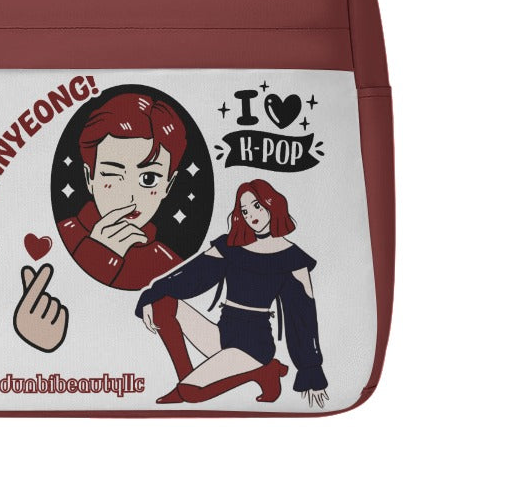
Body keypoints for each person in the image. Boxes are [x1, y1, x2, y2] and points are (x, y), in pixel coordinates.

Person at [135, 179, 328, 408]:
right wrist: (151, 295)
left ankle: (261, 371)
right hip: (222, 334)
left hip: (254, 346)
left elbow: (302, 319)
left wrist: (311, 370)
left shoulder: (292, 259)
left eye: (257, 206)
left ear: (271, 203)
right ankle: (187, 380)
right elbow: (191, 277)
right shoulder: (231, 246)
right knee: (161, 302)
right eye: (244, 211)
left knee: (192, 393)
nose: (251, 215)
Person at [58, 89, 186, 290]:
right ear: (89, 178)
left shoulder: (172, 268)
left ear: (168, 185)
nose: (129, 196)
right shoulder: (61, 237)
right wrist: (98, 255)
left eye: (148, 179)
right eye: (112, 174)